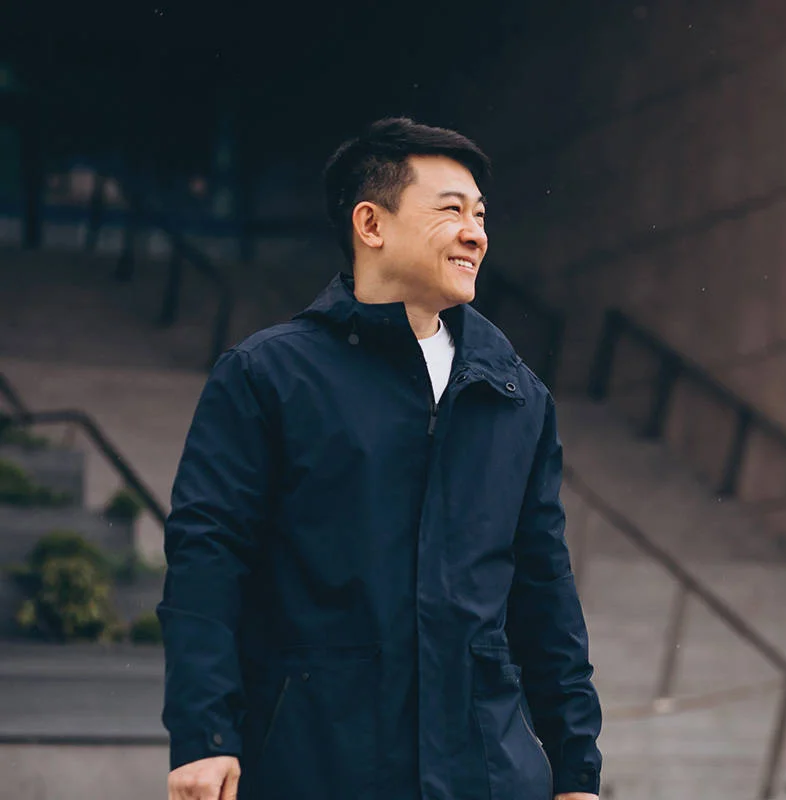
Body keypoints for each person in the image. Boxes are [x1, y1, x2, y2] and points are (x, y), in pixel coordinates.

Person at [158, 117, 602, 800]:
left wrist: (576, 768)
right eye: (451, 210)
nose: (475, 234)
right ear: (371, 224)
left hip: (485, 772)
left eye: (481, 215)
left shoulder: (515, 395)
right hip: (318, 766)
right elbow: (208, 559)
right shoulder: (269, 376)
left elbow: (545, 590)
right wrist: (205, 736)